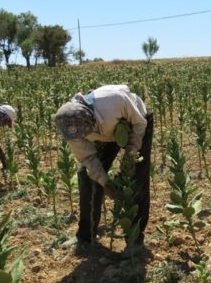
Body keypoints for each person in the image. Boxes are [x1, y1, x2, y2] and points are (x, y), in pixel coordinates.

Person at [53, 84, 153, 251]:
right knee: (86, 175)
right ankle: (85, 235)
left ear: (91, 120)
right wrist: (104, 182)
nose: (82, 138)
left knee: (137, 177)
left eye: (85, 134)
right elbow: (87, 157)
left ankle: (135, 239)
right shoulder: (70, 126)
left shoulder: (114, 101)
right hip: (105, 132)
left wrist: (131, 151)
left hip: (136, 122)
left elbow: (139, 123)